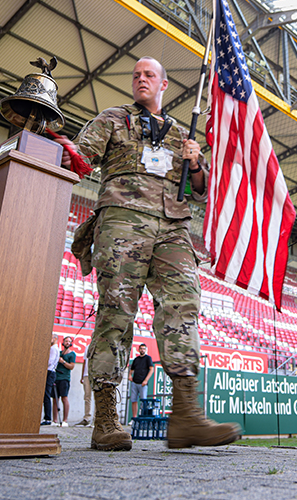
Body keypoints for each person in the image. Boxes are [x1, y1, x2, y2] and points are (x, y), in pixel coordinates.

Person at [61, 57, 241, 451]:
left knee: (183, 306)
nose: (141, 79)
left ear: (163, 85)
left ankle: (187, 416)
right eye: (136, 75)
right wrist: (49, 139)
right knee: (116, 312)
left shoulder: (181, 134)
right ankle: (106, 419)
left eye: (150, 75)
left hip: (174, 227)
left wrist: (194, 161)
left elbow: (200, 189)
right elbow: (79, 158)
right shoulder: (113, 118)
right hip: (123, 223)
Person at [53, 336, 76, 427]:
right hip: (56, 377)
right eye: (66, 341)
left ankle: (65, 420)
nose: (67, 343)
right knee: (55, 399)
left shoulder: (72, 354)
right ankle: (54, 420)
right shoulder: (59, 353)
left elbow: (72, 366)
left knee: (64, 398)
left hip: (65, 378)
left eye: (69, 341)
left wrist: (63, 362)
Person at [129, 343, 154, 419]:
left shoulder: (148, 358)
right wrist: (130, 375)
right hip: (135, 382)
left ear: (146, 350)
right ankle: (134, 417)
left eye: (143, 349)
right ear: (138, 350)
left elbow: (151, 370)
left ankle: (142, 417)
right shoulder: (136, 359)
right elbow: (132, 369)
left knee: (143, 401)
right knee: (134, 400)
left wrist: (146, 380)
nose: (142, 350)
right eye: (141, 348)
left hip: (143, 383)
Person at [41, 340, 60, 426]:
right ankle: (47, 417)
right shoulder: (55, 348)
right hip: (52, 372)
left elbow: (50, 362)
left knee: (46, 395)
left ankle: (47, 418)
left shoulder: (53, 348)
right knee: (46, 394)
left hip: (49, 372)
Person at [75, 354, 93, 427]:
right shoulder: (88, 347)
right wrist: (82, 375)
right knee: (87, 397)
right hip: (87, 375)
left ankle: (96, 419)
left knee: (97, 397)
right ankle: (87, 418)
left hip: (96, 375)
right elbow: (85, 361)